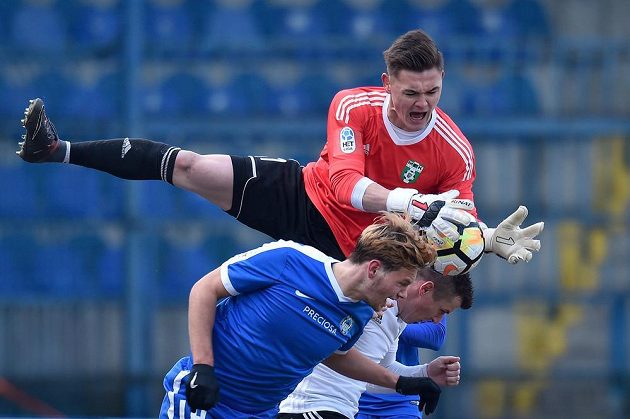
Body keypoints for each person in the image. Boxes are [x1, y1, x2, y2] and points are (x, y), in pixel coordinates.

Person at [16, 29, 543, 265]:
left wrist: (484, 236)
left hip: (359, 255)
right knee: (191, 167)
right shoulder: (352, 106)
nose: (423, 103)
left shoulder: (455, 150)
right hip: (304, 195)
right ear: (387, 82)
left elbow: (456, 218)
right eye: (411, 92)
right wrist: (408, 202)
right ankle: (56, 149)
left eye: (433, 91)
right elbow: (342, 184)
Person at [159, 212, 444, 418]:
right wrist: (204, 368)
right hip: (206, 397)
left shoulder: (360, 313)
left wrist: (403, 383)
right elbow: (204, 290)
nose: (401, 295)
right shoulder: (289, 259)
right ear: (373, 270)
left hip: (262, 412)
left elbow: (335, 355)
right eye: (402, 283)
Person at [277, 268, 472, 419]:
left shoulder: (398, 319)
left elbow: (373, 375)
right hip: (312, 408)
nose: (438, 320)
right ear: (425, 289)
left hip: (339, 410)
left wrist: (425, 373)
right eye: (442, 311)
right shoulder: (371, 300)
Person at [357, 317, 448, 418]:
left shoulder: (393, 317)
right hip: (353, 392)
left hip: (403, 394)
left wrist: (385, 324)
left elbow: (436, 335)